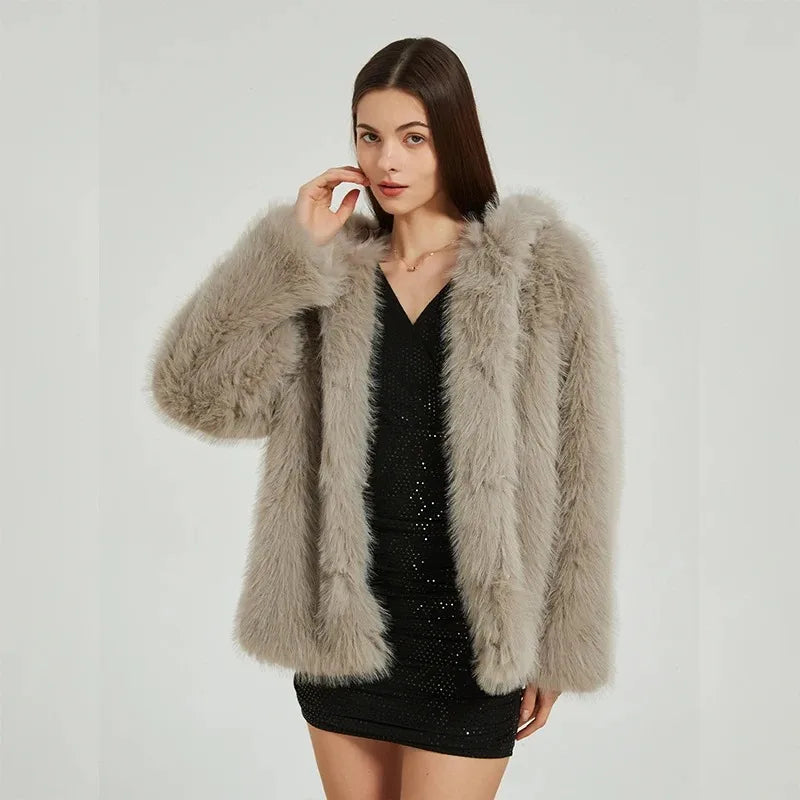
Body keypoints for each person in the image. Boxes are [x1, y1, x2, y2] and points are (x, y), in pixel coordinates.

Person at [148, 36, 624, 800]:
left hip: (472, 641)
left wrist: (561, 645)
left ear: (454, 139)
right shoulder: (330, 278)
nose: (386, 162)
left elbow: (583, 469)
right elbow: (193, 390)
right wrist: (287, 252)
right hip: (346, 634)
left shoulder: (540, 272)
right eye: (368, 136)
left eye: (413, 138)